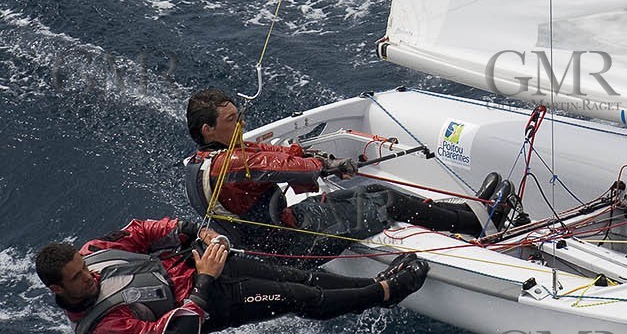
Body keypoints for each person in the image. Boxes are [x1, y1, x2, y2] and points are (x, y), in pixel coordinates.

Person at [34, 216, 430, 334]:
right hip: (212, 303)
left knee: (299, 277)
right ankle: (384, 291)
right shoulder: (104, 331)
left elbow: (143, 231)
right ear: (58, 289)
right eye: (78, 277)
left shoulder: (92, 253)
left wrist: (192, 232)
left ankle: (373, 288)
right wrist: (204, 282)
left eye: (84, 268)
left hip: (209, 263)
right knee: (296, 297)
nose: (89, 277)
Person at [183, 88, 521, 256]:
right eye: (232, 121)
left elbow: (276, 154)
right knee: (386, 202)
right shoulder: (234, 164)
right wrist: (321, 166)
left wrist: (317, 159)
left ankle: (467, 211)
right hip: (290, 246)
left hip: (280, 232)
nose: (241, 123)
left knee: (368, 194)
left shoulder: (206, 159)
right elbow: (279, 168)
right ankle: (475, 223)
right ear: (208, 129)